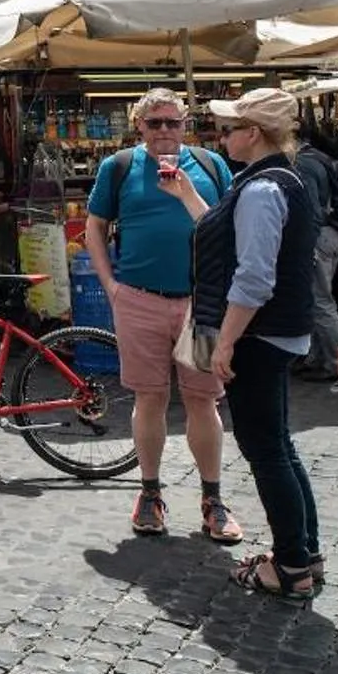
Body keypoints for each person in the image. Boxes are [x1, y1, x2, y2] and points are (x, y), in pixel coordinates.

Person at [163, 88, 325, 600]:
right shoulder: (273, 180)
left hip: (260, 334)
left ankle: (291, 566)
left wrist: (227, 342)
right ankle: (305, 554)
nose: (221, 137)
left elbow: (254, 277)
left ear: (253, 133)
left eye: (229, 129)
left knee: (266, 451)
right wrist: (189, 196)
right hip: (278, 331)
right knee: (278, 446)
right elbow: (230, 240)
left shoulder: (261, 189)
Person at [85, 88, 241, 545]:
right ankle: (150, 492)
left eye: (173, 122)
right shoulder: (119, 167)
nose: (164, 131)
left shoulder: (210, 165)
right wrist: (111, 286)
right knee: (149, 398)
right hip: (140, 300)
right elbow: (95, 227)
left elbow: (230, 227)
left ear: (185, 124)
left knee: (203, 400)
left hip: (201, 304)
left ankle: (212, 498)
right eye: (155, 123)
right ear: (140, 125)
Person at [290, 128, 338, 382]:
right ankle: (318, 357)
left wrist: (306, 242)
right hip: (332, 235)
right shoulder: (320, 158)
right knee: (320, 301)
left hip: (319, 238)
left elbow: (312, 210)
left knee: (320, 302)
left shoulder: (303, 164)